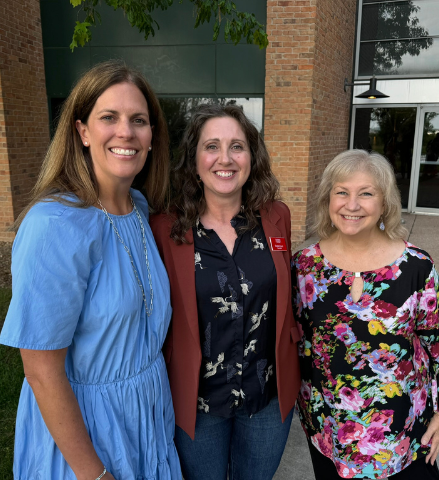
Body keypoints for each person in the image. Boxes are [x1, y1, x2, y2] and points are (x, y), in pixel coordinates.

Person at [0, 61, 181, 480]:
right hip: (86, 437)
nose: (126, 132)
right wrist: (95, 474)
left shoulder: (139, 209)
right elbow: (41, 373)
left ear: (152, 136)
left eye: (139, 120)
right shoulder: (54, 225)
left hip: (146, 420)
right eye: (109, 118)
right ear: (82, 131)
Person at [150, 103, 301, 480]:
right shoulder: (165, 228)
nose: (225, 158)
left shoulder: (277, 217)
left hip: (266, 396)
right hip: (197, 402)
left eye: (237, 146)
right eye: (211, 146)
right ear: (194, 158)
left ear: (252, 156)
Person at [291, 149, 439, 479]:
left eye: (366, 194)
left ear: (385, 202)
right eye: (342, 192)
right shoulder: (304, 267)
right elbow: (295, 343)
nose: (352, 204)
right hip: (328, 432)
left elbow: (437, 344)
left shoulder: (416, 267)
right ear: (328, 200)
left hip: (405, 435)